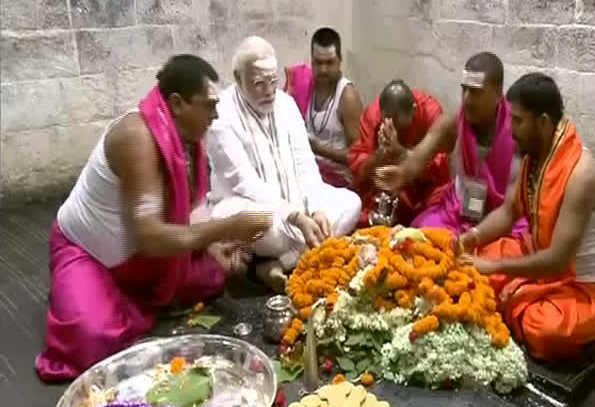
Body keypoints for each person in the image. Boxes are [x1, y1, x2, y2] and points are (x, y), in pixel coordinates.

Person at [37, 55, 271, 381]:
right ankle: (78, 290)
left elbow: (189, 212)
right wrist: (229, 226)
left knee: (214, 275)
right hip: (88, 252)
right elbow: (149, 235)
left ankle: (117, 297)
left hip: (141, 256)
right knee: (91, 337)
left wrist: (216, 244)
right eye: (209, 105)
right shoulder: (139, 137)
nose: (216, 115)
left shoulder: (188, 141)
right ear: (177, 103)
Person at [457, 73, 595, 363]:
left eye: (518, 121)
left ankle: (514, 300)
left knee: (546, 331)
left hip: (584, 284)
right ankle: (517, 295)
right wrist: (471, 238)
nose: (510, 129)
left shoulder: (581, 175)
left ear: (543, 122)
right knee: (469, 264)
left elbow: (558, 259)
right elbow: (509, 212)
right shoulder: (536, 155)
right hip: (538, 255)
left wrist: (493, 267)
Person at [206, 36, 361, 290]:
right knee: (264, 226)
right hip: (251, 209)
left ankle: (274, 263)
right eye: (258, 83)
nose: (268, 91)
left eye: (273, 81)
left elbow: (306, 167)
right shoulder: (221, 116)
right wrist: (296, 217)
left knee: (350, 203)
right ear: (237, 77)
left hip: (297, 210)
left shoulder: (286, 104)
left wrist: (317, 209)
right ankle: (302, 254)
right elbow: (246, 183)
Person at [375, 52, 527, 236]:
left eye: (476, 92)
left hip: (504, 218)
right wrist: (403, 173)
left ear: (497, 94)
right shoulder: (454, 122)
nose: (467, 99)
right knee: (418, 234)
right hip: (458, 213)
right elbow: (422, 153)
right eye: (464, 89)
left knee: (504, 254)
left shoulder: (519, 128)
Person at [349, 79, 450, 226]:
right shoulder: (373, 115)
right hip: (383, 187)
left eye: (400, 127)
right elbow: (358, 167)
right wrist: (380, 155)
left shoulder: (430, 111)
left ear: (414, 110)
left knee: (439, 202)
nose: (394, 130)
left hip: (421, 190)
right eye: (387, 122)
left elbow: (443, 168)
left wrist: (401, 153)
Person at [283, 27, 365, 188]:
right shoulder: (303, 86)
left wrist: (318, 149)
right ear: (311, 60)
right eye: (318, 63)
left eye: (329, 63)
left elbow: (358, 157)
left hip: (339, 183)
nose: (323, 69)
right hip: (305, 174)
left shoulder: (347, 97)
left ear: (340, 60)